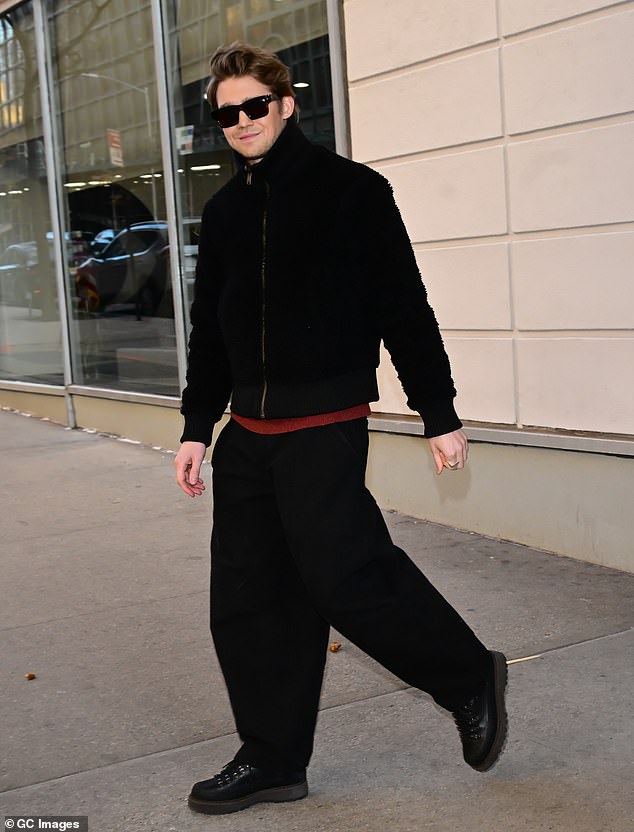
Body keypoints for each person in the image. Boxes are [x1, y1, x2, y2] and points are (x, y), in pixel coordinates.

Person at [174, 41, 508, 816]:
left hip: (323, 423)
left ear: (286, 104)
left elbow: (403, 307)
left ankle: (466, 675)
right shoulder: (224, 213)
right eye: (226, 114)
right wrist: (197, 425)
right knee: (251, 599)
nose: (241, 122)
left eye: (255, 106)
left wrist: (440, 412)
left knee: (347, 580)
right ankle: (272, 758)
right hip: (248, 436)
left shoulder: (351, 191)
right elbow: (209, 332)